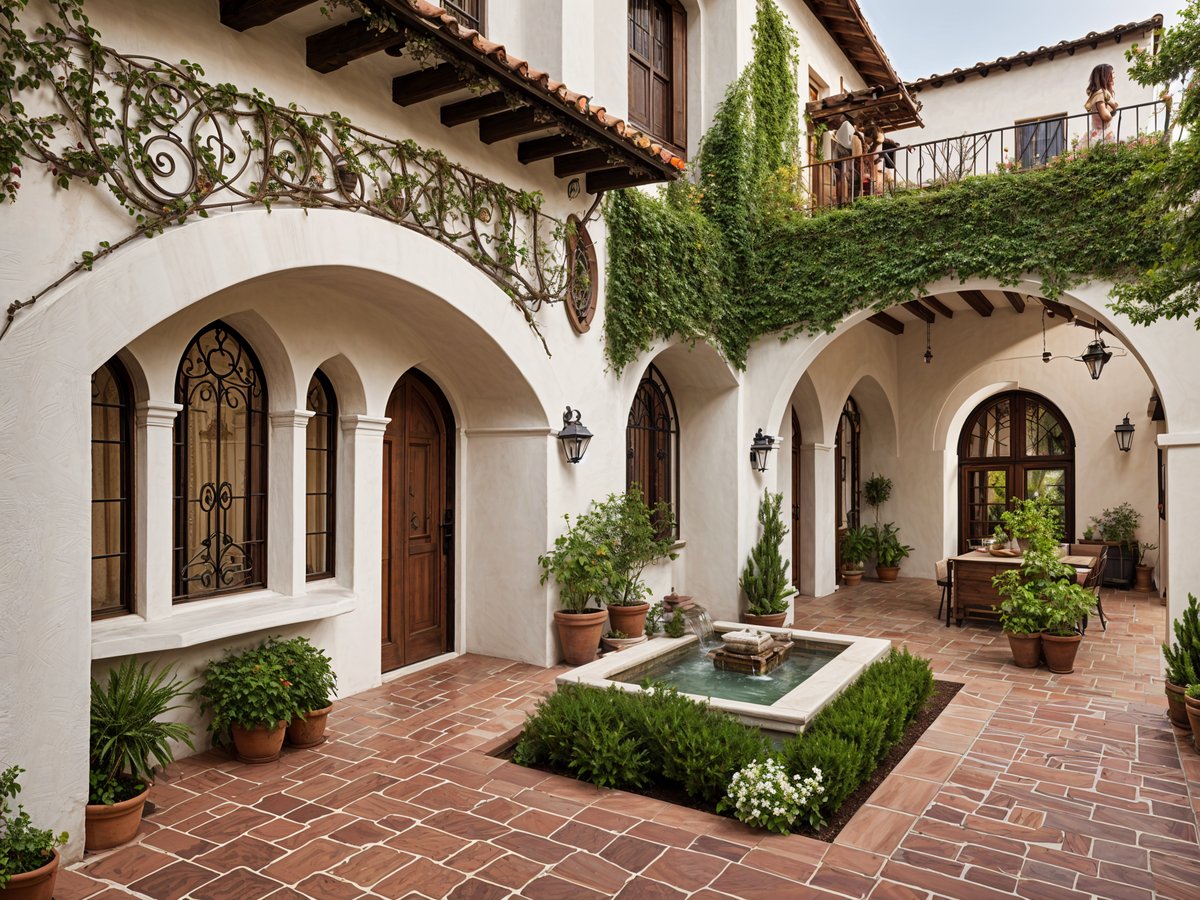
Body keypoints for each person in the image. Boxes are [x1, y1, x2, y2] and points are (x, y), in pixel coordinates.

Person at [1084, 63, 1119, 144]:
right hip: (1100, 136)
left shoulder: (1103, 93)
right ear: (1106, 76)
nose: (1114, 75)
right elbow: (1106, 116)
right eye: (1112, 73)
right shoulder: (1100, 94)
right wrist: (1114, 106)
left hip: (1101, 134)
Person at [830, 114, 855, 206]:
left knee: (847, 183)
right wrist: (834, 168)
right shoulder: (836, 143)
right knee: (841, 182)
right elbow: (834, 156)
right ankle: (840, 201)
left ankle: (846, 201)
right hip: (839, 166)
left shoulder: (851, 139)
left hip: (848, 167)